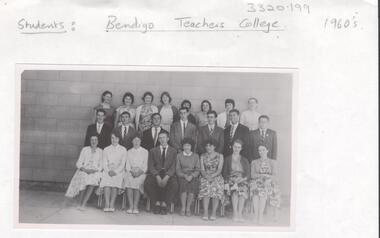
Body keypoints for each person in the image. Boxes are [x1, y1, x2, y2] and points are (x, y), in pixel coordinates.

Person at [144, 131, 178, 215]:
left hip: (168, 174)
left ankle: (165, 204)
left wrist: (167, 177)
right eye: (160, 138)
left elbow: (174, 166)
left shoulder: (173, 151)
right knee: (148, 182)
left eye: (164, 137)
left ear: (168, 139)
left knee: (174, 184)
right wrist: (157, 176)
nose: (162, 140)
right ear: (158, 139)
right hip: (156, 173)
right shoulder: (153, 151)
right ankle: (156, 203)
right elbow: (151, 166)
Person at [65, 135, 103, 210]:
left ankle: (83, 204)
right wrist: (85, 170)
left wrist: (94, 170)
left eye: (95, 140)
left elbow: (101, 165)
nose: (93, 141)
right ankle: (79, 203)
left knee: (93, 180)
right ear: (90, 141)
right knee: (83, 178)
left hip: (95, 171)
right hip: (84, 170)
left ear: (98, 141)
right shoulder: (85, 149)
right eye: (92, 140)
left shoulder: (100, 151)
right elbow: (78, 163)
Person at [250, 145, 281, 225]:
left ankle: (260, 216)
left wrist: (267, 177)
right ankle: (256, 215)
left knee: (263, 189)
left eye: (263, 150)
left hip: (269, 182)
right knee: (255, 188)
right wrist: (262, 176)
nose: (261, 152)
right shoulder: (254, 162)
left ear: (267, 150)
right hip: (258, 182)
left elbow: (275, 176)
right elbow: (253, 175)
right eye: (260, 150)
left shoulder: (272, 162)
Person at [222, 139, 250, 222]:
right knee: (235, 190)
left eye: (238, 147)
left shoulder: (244, 159)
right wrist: (229, 180)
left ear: (241, 148)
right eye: (235, 147)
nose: (236, 149)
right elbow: (224, 172)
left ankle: (240, 213)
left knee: (242, 191)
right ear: (232, 147)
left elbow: (248, 174)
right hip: (231, 179)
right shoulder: (228, 159)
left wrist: (242, 179)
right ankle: (235, 213)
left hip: (242, 179)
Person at [99, 133, 127, 212]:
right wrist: (108, 171)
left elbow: (122, 164)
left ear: (119, 139)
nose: (114, 140)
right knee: (106, 179)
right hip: (107, 170)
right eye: (112, 138)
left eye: (116, 138)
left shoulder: (123, 149)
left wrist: (116, 171)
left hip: (118, 171)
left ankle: (112, 203)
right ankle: (107, 203)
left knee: (116, 179)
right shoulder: (106, 149)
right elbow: (104, 163)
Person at [198, 138, 224, 221]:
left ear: (214, 146)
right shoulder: (202, 156)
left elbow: (219, 169)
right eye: (207, 146)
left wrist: (212, 176)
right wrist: (206, 176)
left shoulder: (220, 156)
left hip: (216, 175)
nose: (208, 147)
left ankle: (213, 212)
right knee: (206, 186)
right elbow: (202, 169)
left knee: (216, 186)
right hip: (205, 176)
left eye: (210, 145)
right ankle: (205, 212)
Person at [176, 138, 200, 216]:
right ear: (182, 146)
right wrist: (184, 175)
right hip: (182, 176)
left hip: (192, 176)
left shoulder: (195, 156)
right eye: (185, 145)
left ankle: (188, 208)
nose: (187, 147)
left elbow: (197, 169)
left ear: (191, 147)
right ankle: (183, 207)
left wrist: (192, 176)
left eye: (188, 145)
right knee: (183, 186)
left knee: (192, 186)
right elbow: (178, 169)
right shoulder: (179, 155)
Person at [124, 135, 148, 214]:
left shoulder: (145, 151)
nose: (136, 142)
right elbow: (127, 164)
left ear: (140, 141)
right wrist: (131, 171)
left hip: (141, 173)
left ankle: (135, 206)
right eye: (135, 140)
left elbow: (145, 165)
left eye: (138, 140)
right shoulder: (129, 151)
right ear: (132, 142)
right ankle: (130, 206)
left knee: (138, 181)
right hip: (130, 172)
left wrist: (139, 173)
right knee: (128, 179)